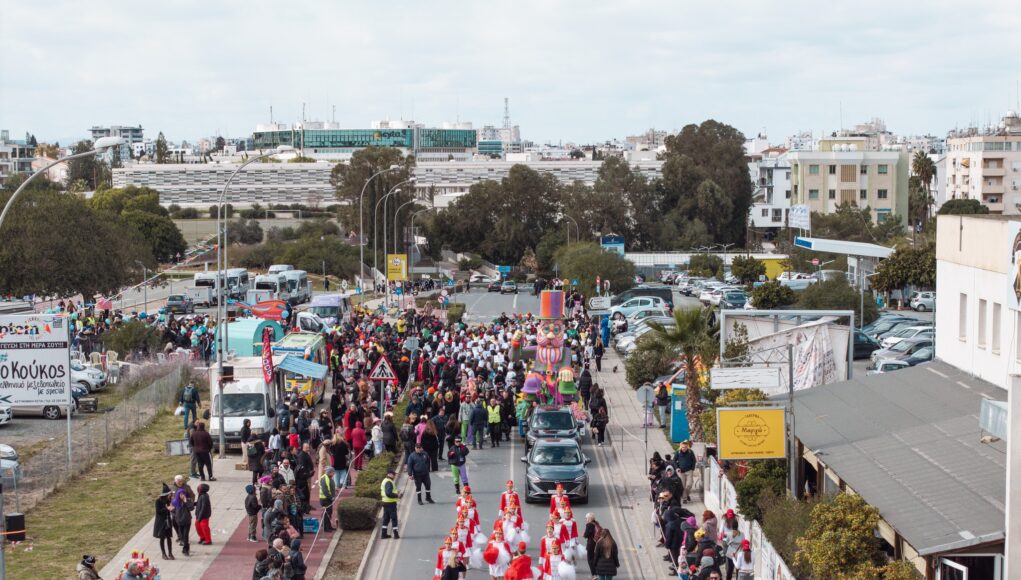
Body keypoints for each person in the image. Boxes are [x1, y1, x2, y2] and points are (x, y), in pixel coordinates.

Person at [154, 483, 174, 560]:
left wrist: (171, 508)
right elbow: (158, 511)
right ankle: (163, 553)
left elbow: (170, 508)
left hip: (168, 521)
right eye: (169, 494)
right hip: (161, 522)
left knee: (169, 538)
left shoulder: (168, 500)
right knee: (162, 538)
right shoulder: (158, 501)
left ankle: (170, 553)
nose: (171, 495)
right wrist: (167, 509)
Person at [380, 467, 400, 539]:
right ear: (390, 474)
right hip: (390, 503)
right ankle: (396, 534)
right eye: (394, 474)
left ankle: (383, 534)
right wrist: (397, 495)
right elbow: (388, 493)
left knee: (386, 518)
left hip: (385, 502)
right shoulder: (389, 482)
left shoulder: (385, 480)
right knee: (394, 518)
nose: (394, 476)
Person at [319, 466, 337, 532]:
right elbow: (325, 490)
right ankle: (326, 528)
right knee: (326, 513)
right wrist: (331, 497)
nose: (334, 474)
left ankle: (329, 526)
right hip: (325, 499)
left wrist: (334, 491)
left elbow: (329, 487)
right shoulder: (325, 478)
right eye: (333, 472)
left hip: (327, 498)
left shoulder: (329, 478)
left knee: (329, 513)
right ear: (330, 472)